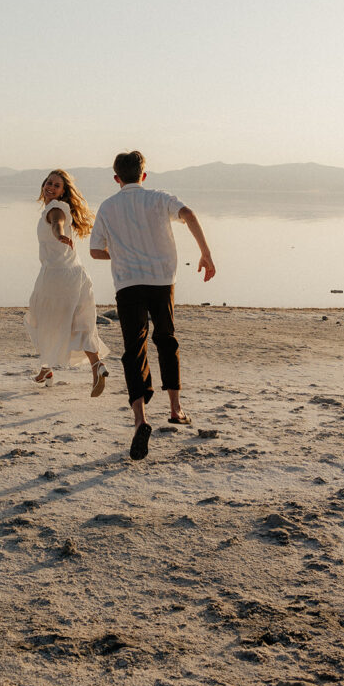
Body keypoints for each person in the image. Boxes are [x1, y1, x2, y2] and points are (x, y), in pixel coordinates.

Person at [90, 150, 215, 460]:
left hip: (128, 283)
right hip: (162, 280)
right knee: (166, 340)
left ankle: (140, 420)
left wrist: (120, 255)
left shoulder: (107, 206)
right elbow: (189, 215)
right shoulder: (159, 198)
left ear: (117, 178)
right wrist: (206, 253)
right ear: (143, 176)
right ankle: (176, 409)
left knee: (134, 349)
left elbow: (95, 251)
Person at [26, 169, 109, 395]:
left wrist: (59, 233)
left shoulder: (56, 209)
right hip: (77, 274)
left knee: (41, 320)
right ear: (44, 184)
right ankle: (96, 366)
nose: (51, 187)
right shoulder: (59, 208)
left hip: (54, 276)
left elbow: (57, 223)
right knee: (82, 323)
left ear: (63, 192)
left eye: (56, 185)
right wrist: (60, 234)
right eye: (49, 183)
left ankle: (46, 368)